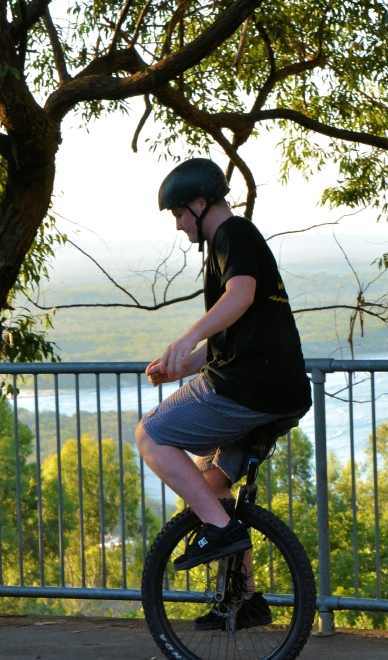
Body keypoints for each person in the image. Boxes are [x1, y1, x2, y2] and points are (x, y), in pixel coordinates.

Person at [135, 158, 311, 628]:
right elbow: (227, 337)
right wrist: (180, 364)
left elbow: (241, 296)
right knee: (211, 486)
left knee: (151, 436)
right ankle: (246, 599)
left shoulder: (232, 234)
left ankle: (219, 529)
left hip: (249, 388)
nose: (177, 225)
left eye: (178, 213)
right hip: (275, 388)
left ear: (199, 203)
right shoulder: (230, 244)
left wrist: (185, 339)